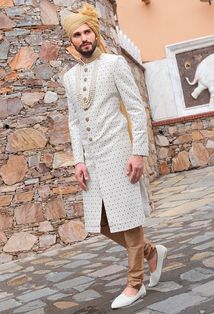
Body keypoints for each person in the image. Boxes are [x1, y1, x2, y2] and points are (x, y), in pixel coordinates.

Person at [62, 4, 167, 309]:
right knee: (104, 223)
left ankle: (135, 284)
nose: (84, 38)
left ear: (94, 33)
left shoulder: (114, 64)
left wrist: (138, 152)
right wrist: (78, 160)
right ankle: (150, 252)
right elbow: (73, 121)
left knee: (130, 220)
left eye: (87, 32)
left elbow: (135, 108)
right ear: (71, 41)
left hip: (120, 153)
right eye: (77, 34)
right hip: (92, 161)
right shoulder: (69, 78)